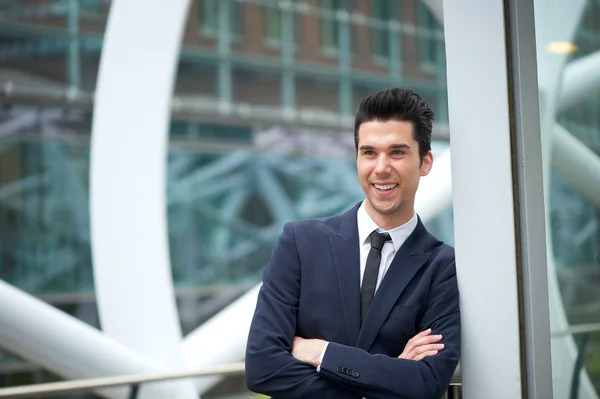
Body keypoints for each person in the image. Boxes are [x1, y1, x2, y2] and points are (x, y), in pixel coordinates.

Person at [245, 87, 460, 399]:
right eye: (369, 152)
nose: (381, 167)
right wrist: (389, 377)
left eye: (397, 152)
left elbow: (426, 383)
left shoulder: (443, 267)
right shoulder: (300, 244)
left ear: (426, 163)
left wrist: (322, 353)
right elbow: (263, 367)